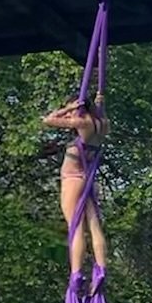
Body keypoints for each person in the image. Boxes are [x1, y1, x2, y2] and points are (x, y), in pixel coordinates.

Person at [41, 94, 107, 289]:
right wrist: (99, 103)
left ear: (79, 107)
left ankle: (76, 273)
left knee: (76, 227)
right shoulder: (102, 124)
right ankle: (101, 268)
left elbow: (48, 120)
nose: (70, 114)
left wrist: (68, 109)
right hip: (88, 180)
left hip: (73, 179)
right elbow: (100, 113)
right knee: (94, 226)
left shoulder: (82, 122)